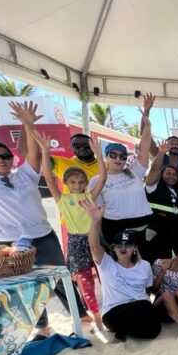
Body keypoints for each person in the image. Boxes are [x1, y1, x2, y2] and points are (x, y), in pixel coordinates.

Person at [0, 101, 90, 335]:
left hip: (41, 235)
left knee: (60, 277)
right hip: (1, 244)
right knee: (23, 286)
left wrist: (27, 124)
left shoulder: (24, 175)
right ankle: (41, 325)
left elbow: (32, 153)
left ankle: (80, 315)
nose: (1, 160)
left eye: (5, 156)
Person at [35, 130, 107, 331]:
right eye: (73, 182)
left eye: (81, 182)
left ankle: (108, 308)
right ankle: (96, 316)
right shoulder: (62, 199)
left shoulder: (90, 196)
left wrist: (99, 156)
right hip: (76, 242)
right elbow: (48, 179)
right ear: (66, 183)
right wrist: (45, 150)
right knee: (85, 282)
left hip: (96, 239)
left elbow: (102, 178)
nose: (78, 185)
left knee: (105, 276)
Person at [79, 200, 161, 343]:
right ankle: (118, 337)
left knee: (154, 330)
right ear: (113, 248)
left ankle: (128, 329)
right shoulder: (107, 264)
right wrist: (95, 220)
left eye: (128, 245)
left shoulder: (145, 265)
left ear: (135, 248)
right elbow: (93, 246)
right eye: (119, 245)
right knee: (141, 304)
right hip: (114, 312)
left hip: (140, 310)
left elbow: (147, 292)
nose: (123, 249)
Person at [89, 109, 154, 259]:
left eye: (122, 156)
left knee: (145, 262)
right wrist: (96, 238)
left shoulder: (134, 172)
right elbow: (97, 211)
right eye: (113, 155)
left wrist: (148, 127)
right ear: (106, 157)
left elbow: (144, 150)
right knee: (121, 265)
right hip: (114, 227)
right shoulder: (97, 180)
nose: (118, 159)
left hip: (143, 225)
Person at [145, 141, 178, 260]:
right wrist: (161, 153)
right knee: (159, 263)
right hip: (157, 233)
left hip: (176, 233)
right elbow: (154, 170)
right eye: (168, 173)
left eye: (175, 174)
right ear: (162, 174)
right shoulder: (153, 186)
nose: (171, 176)